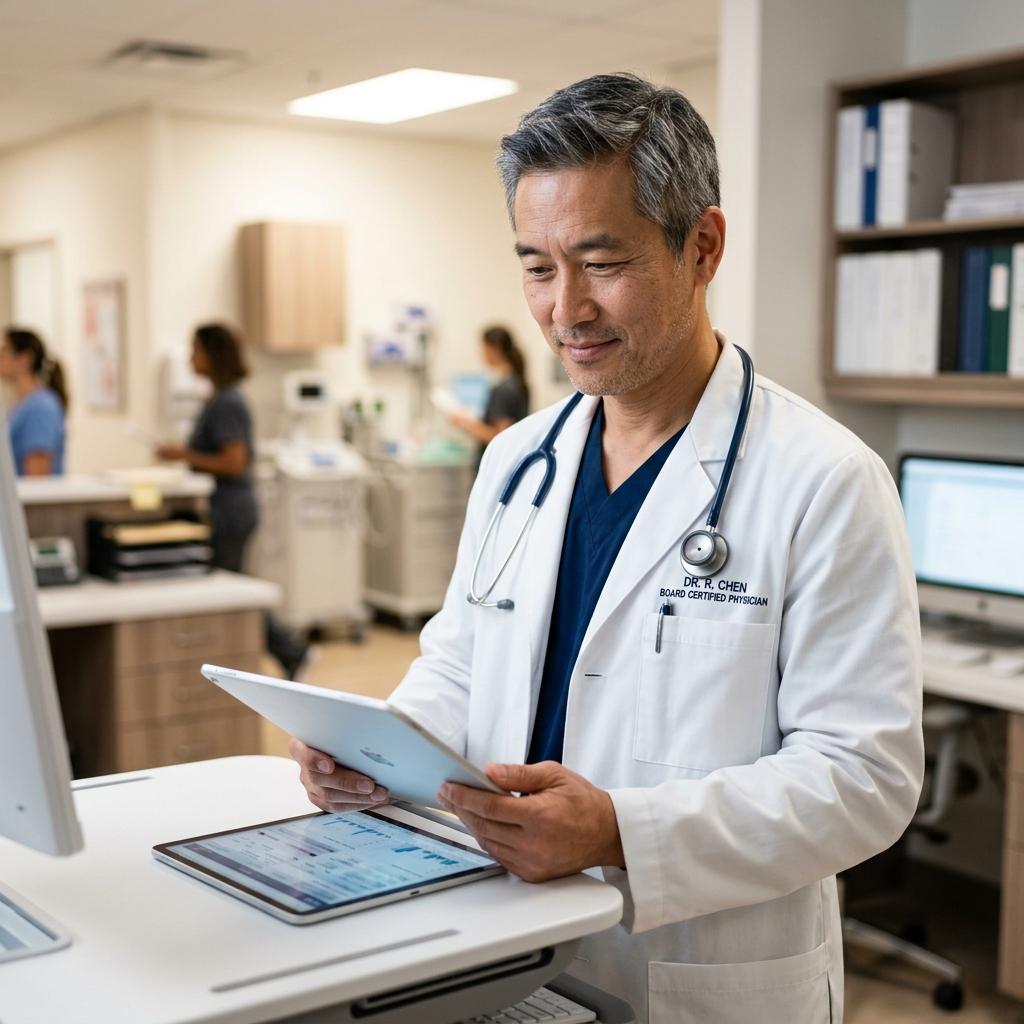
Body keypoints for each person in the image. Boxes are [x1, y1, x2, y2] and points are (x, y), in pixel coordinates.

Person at [289, 74, 923, 1023]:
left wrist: (624, 831)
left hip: (692, 975)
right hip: (499, 947)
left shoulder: (823, 480)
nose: (566, 310)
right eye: (538, 268)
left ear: (702, 246)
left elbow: (863, 778)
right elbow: (460, 662)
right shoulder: (516, 462)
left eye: (601, 262)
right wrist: (378, 749)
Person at [156, 323, 311, 679]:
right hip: (226, 508)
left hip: (231, 510)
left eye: (195, 350)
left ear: (212, 354)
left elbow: (233, 461)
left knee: (233, 593)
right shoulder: (218, 398)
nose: (191, 358)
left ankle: (291, 650)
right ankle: (288, 651)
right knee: (234, 589)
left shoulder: (228, 402)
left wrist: (184, 454)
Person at [448, 325, 530, 459]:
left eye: (483, 348)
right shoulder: (516, 382)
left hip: (498, 461)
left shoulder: (502, 389)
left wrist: (463, 423)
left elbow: (501, 437)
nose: (481, 354)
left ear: (495, 349)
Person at [0, 327, 68, 476]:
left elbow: (38, 477)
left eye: (3, 352)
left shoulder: (41, 407)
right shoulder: (20, 404)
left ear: (25, 359)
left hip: (29, 497)